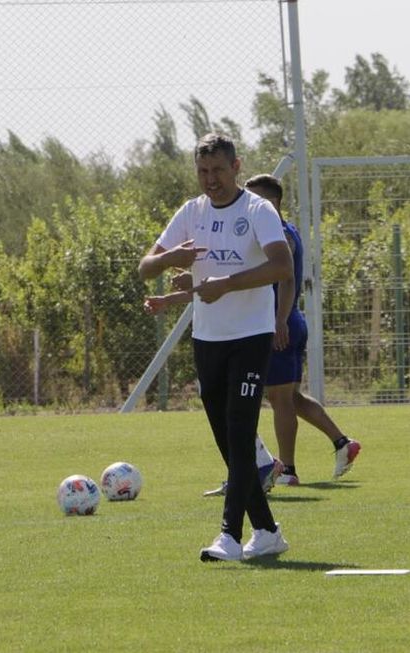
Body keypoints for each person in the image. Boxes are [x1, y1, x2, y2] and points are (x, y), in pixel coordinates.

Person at [140, 133, 293, 562]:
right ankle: (267, 531)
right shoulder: (192, 212)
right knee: (229, 440)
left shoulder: (257, 210)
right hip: (208, 340)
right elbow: (145, 267)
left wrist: (226, 284)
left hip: (251, 336)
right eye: (203, 171)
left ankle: (229, 535)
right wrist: (169, 259)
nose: (211, 180)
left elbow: (282, 266)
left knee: (240, 431)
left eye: (219, 171)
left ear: (236, 167)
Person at [243, 174, 361, 485]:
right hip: (288, 320)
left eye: (254, 199)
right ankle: (342, 443)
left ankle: (288, 470)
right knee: (291, 397)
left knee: (280, 399)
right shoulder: (285, 229)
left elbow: (285, 277)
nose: (248, 205)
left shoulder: (280, 234)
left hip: (279, 323)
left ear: (272, 202)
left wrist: (279, 320)